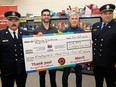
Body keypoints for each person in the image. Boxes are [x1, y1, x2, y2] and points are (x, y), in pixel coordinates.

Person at [0, 11, 29, 87]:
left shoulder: (25, 33)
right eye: (11, 20)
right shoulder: (1, 34)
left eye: (16, 20)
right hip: (6, 71)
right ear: (7, 22)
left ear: (19, 22)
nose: (13, 22)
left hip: (22, 70)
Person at [92, 4, 116, 87]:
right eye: (105, 13)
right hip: (97, 62)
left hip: (110, 63)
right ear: (101, 15)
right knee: (98, 83)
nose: (108, 15)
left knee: (111, 84)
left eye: (110, 13)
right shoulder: (95, 26)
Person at [34, 9, 58, 87]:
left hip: (52, 57)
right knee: (42, 78)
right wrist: (36, 37)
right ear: (42, 16)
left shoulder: (54, 29)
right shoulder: (37, 29)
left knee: (53, 77)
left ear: (50, 17)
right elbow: (34, 44)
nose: (46, 16)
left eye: (48, 15)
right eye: (44, 15)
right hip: (42, 58)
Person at [62, 12, 84, 87]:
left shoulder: (82, 31)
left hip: (78, 58)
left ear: (78, 20)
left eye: (76, 19)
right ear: (69, 20)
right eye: (72, 19)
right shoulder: (64, 32)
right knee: (65, 76)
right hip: (68, 58)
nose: (74, 20)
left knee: (79, 76)